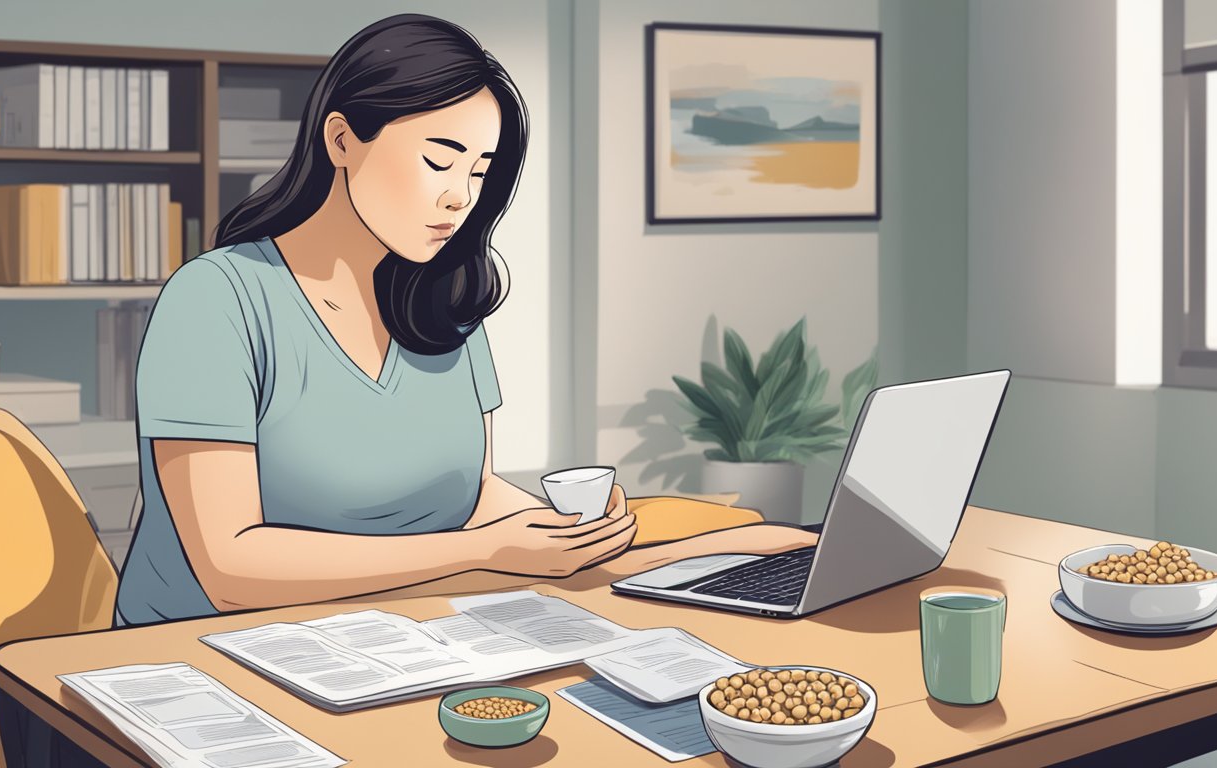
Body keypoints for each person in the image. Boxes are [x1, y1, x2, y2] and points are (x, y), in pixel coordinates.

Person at [115, 14, 816, 627]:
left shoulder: (444, 304)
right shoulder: (216, 300)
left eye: (479, 172)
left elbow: (472, 492)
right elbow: (231, 566)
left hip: (398, 629)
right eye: (439, 160)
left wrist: (574, 536)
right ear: (341, 140)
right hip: (203, 654)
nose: (460, 198)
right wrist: (485, 551)